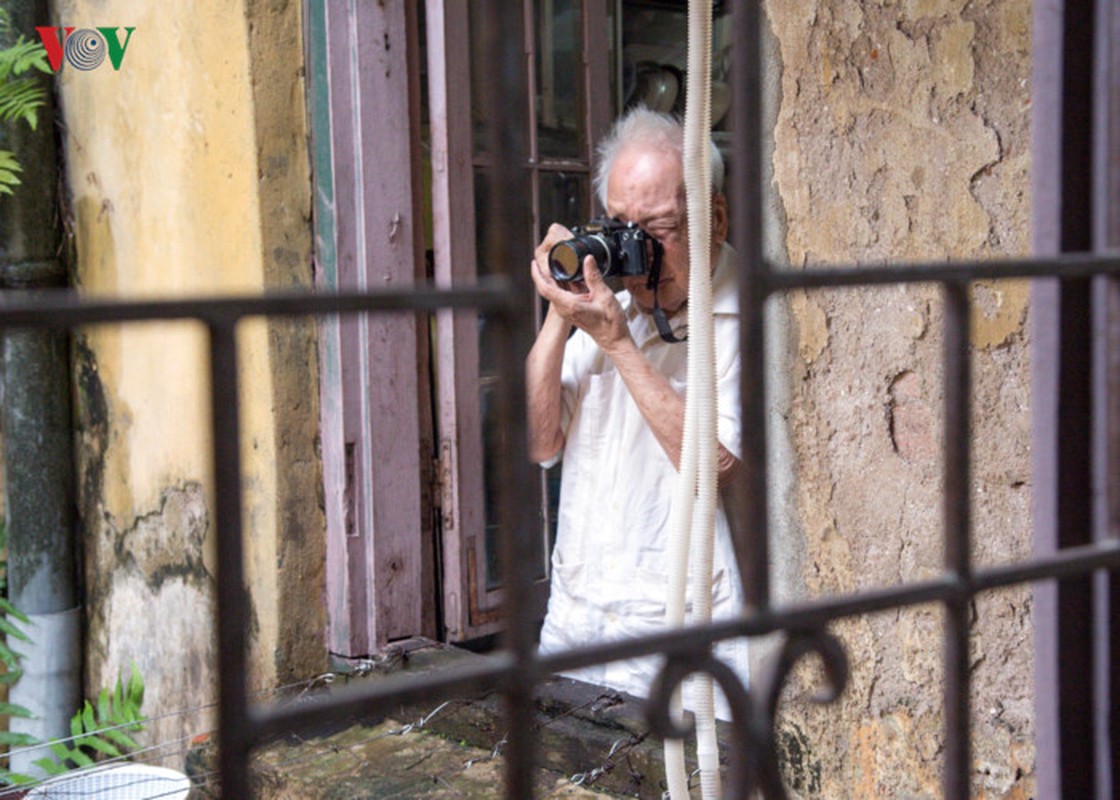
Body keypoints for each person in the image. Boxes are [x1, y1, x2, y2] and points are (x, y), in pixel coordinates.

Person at [526, 107, 748, 715]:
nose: (635, 250)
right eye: (621, 227)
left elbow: (713, 468)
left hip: (679, 635)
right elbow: (541, 442)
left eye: (658, 228)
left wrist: (619, 343)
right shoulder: (610, 306)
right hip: (579, 617)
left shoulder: (746, 316)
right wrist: (558, 310)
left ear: (716, 219)